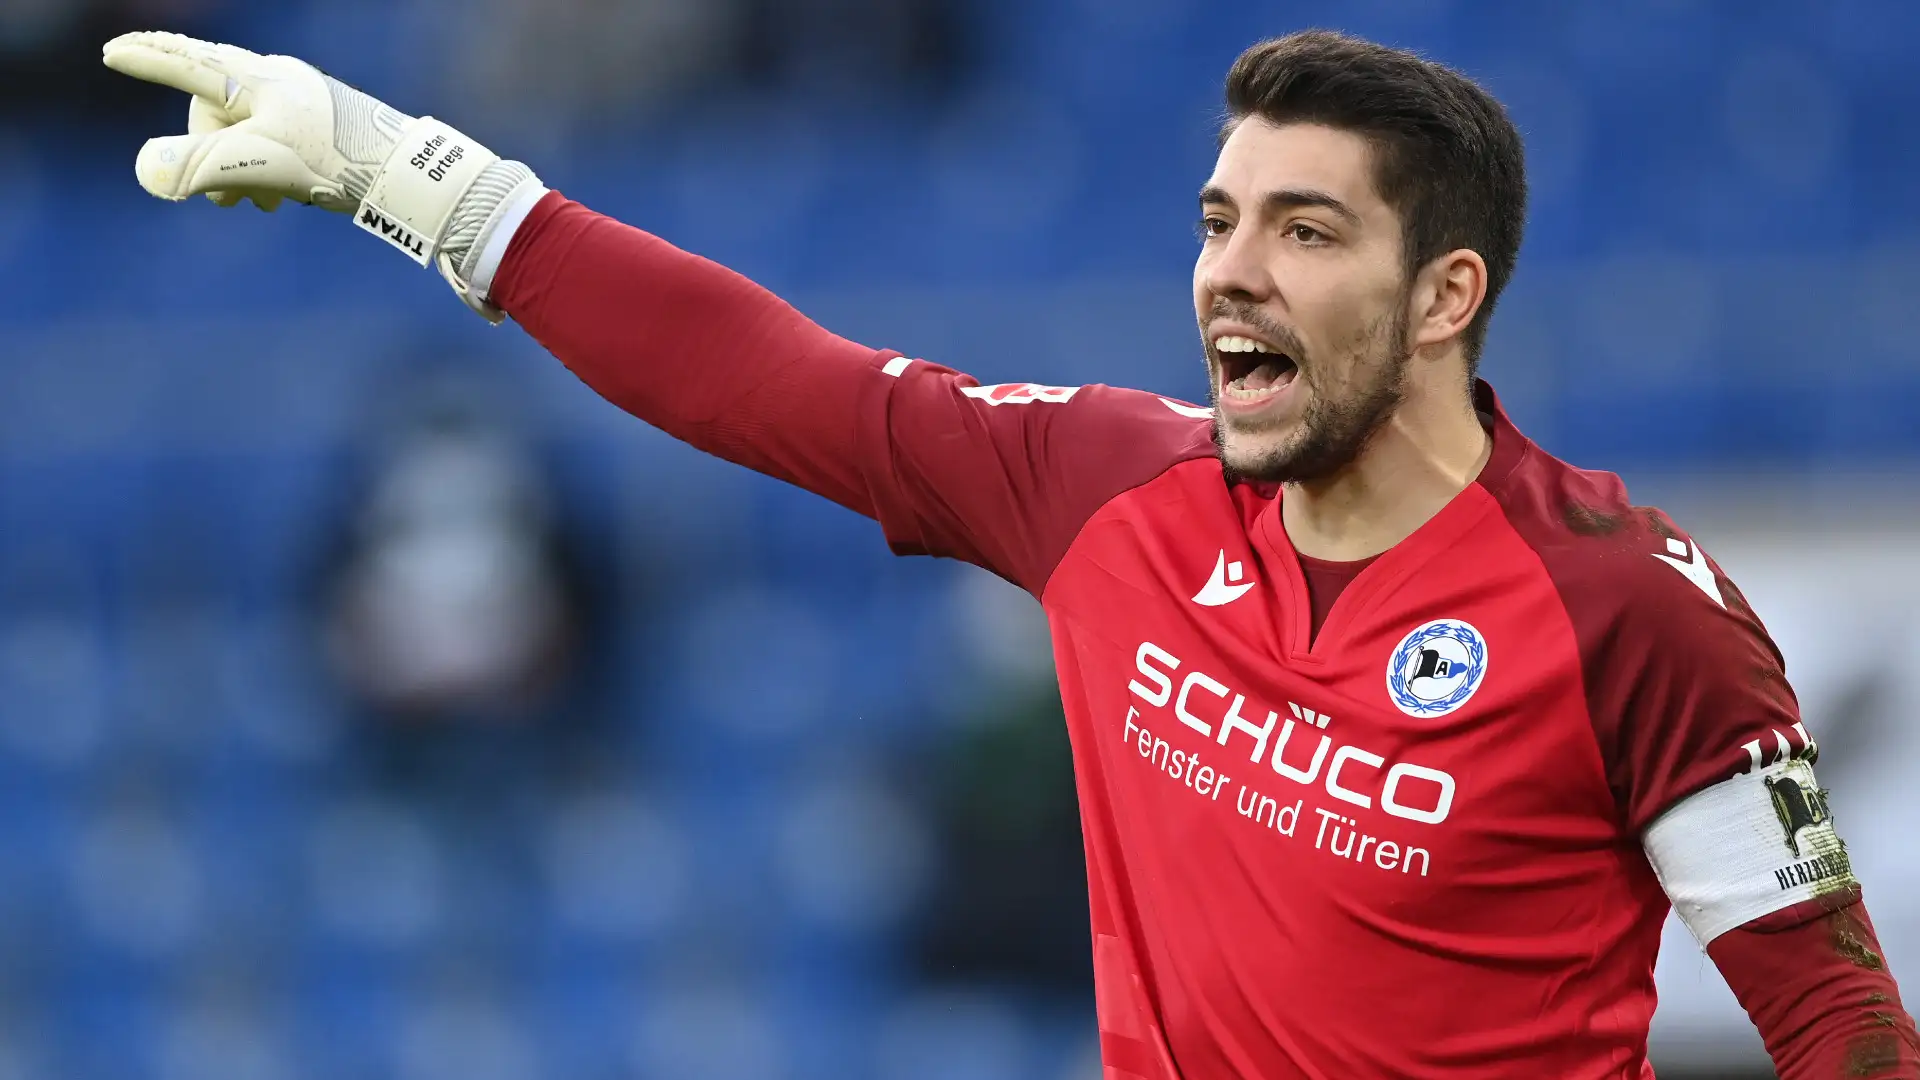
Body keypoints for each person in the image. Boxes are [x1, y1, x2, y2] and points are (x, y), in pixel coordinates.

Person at [103, 27, 1920, 1079]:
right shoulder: (1109, 487)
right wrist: (407, 175)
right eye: (1218, 221)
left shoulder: (1632, 612)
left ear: (1447, 295)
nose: (1233, 273)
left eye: (1304, 232)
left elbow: (1835, 1012)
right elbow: (769, 379)